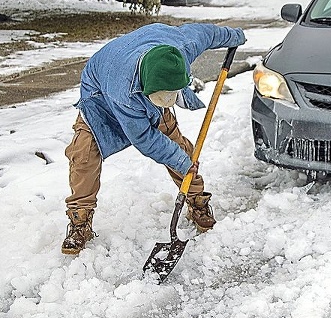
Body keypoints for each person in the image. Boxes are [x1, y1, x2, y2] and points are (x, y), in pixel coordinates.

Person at [61, 22, 245, 255]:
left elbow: (208, 33)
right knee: (83, 156)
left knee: (179, 149)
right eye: (161, 98)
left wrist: (234, 36)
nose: (167, 102)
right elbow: (146, 139)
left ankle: (196, 199)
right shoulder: (125, 91)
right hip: (100, 99)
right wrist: (180, 161)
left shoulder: (179, 49)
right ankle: (80, 221)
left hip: (147, 80)